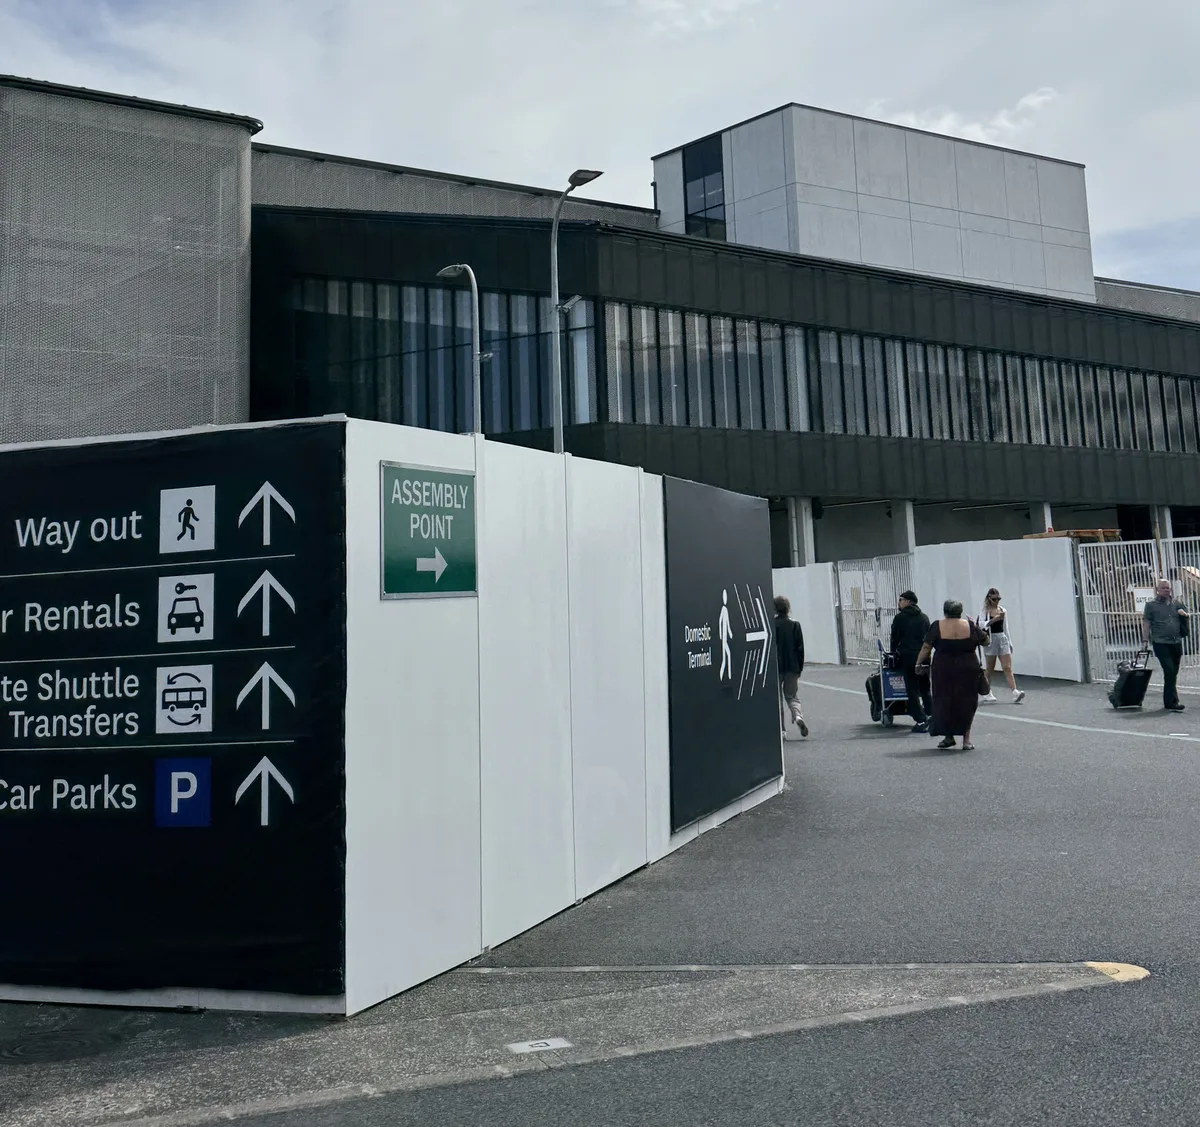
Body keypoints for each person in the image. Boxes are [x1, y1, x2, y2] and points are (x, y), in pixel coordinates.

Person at [916, 599, 989, 751]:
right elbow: (986, 641)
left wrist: (918, 663)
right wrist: (975, 625)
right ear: (960, 611)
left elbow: (926, 646)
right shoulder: (969, 626)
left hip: (944, 669)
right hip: (968, 668)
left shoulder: (937, 626)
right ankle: (966, 740)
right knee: (967, 702)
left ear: (945, 611)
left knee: (945, 701)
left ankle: (948, 737)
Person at [1142, 578, 1189, 712]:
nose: (1166, 590)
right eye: (1163, 588)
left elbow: (1187, 616)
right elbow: (1146, 623)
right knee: (1169, 671)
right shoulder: (1151, 605)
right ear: (1157, 590)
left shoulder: (1176, 603)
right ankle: (1171, 701)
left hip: (1176, 642)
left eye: (1168, 588)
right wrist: (1145, 641)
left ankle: (1171, 700)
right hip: (1161, 643)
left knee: (1173, 673)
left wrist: (1184, 615)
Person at [890, 590, 932, 733]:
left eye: (901, 599)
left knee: (912, 689)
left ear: (908, 601)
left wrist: (893, 653)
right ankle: (931, 715)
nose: (899, 602)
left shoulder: (900, 618)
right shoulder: (924, 617)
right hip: (924, 656)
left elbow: (894, 638)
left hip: (908, 657)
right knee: (925, 688)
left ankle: (920, 720)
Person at [977, 588, 1025, 704]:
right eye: (994, 599)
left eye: (998, 599)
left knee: (1007, 667)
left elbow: (1005, 627)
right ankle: (987, 692)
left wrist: (1009, 642)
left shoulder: (1002, 610)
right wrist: (994, 620)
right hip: (991, 639)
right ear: (989, 599)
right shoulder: (985, 611)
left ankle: (1015, 691)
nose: (996, 601)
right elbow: (981, 625)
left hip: (1001, 638)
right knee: (990, 668)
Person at [774, 595, 809, 738]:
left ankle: (782, 730)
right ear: (788, 608)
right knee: (792, 696)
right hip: (792, 666)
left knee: (777, 700)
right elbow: (800, 649)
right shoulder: (795, 625)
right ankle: (798, 717)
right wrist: (799, 668)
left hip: (776, 666)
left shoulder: (772, 624)